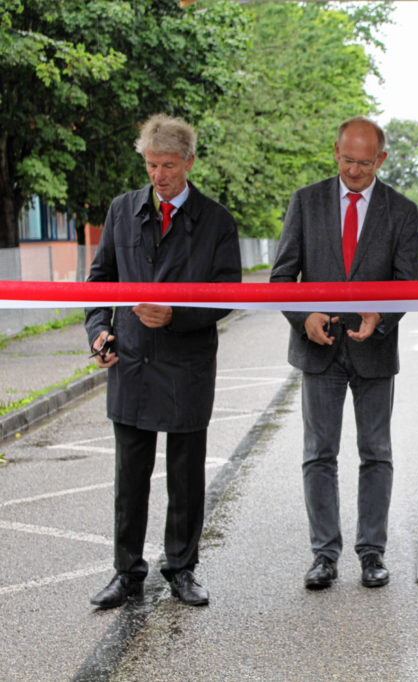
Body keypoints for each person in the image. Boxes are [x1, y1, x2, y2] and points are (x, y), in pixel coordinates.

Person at [85, 114, 242, 609]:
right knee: (129, 480)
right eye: (152, 165)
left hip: (187, 362)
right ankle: (126, 573)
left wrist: (175, 314)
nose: (159, 175)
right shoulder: (120, 210)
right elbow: (99, 281)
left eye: (169, 166)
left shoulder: (216, 220)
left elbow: (226, 296)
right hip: (132, 360)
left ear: (189, 162)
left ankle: (182, 570)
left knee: (186, 477)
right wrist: (100, 330)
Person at [271, 116, 418, 590]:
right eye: (348, 160)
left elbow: (405, 285)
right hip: (318, 351)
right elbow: (282, 279)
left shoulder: (401, 210)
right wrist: (304, 318)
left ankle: (372, 553)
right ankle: (324, 555)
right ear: (335, 151)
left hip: (373, 350)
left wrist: (382, 317)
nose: (355, 171)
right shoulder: (305, 201)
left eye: (365, 162)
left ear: (382, 158)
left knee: (376, 453)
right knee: (319, 454)